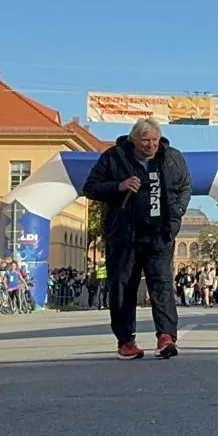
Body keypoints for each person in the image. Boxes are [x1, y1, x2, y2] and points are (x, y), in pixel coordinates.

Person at [80, 118, 191, 359]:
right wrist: (118, 186)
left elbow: (185, 186)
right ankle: (126, 341)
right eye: (145, 141)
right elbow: (90, 188)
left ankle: (166, 337)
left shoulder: (172, 157)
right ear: (134, 140)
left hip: (159, 234)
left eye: (155, 140)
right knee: (123, 288)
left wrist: (178, 212)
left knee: (162, 285)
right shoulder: (114, 157)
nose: (151, 145)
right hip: (124, 236)